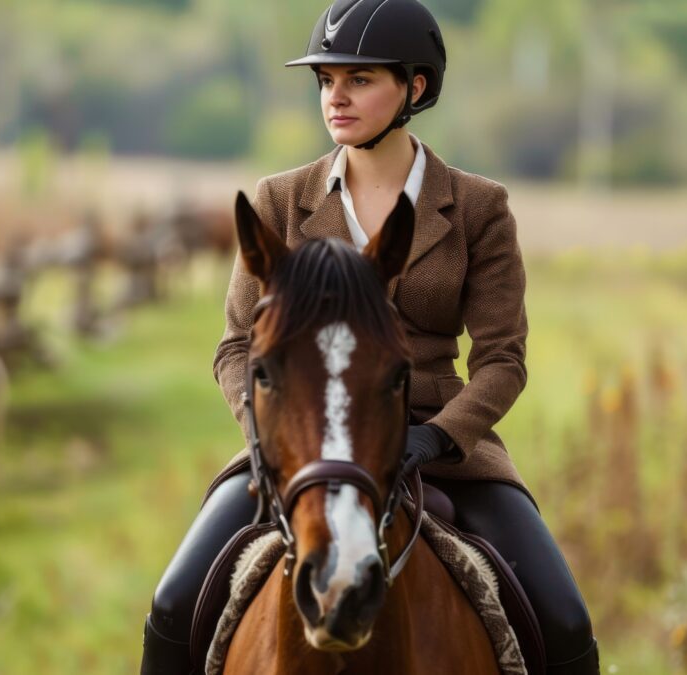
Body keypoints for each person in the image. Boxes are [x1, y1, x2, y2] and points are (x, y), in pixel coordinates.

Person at [140, 1, 600, 673]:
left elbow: (503, 360)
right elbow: (236, 347)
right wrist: (269, 435)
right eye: (327, 81)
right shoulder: (278, 201)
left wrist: (436, 435)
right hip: (299, 445)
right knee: (174, 603)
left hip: (438, 448)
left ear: (415, 87)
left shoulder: (478, 208)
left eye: (359, 80)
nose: (336, 97)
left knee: (563, 617)